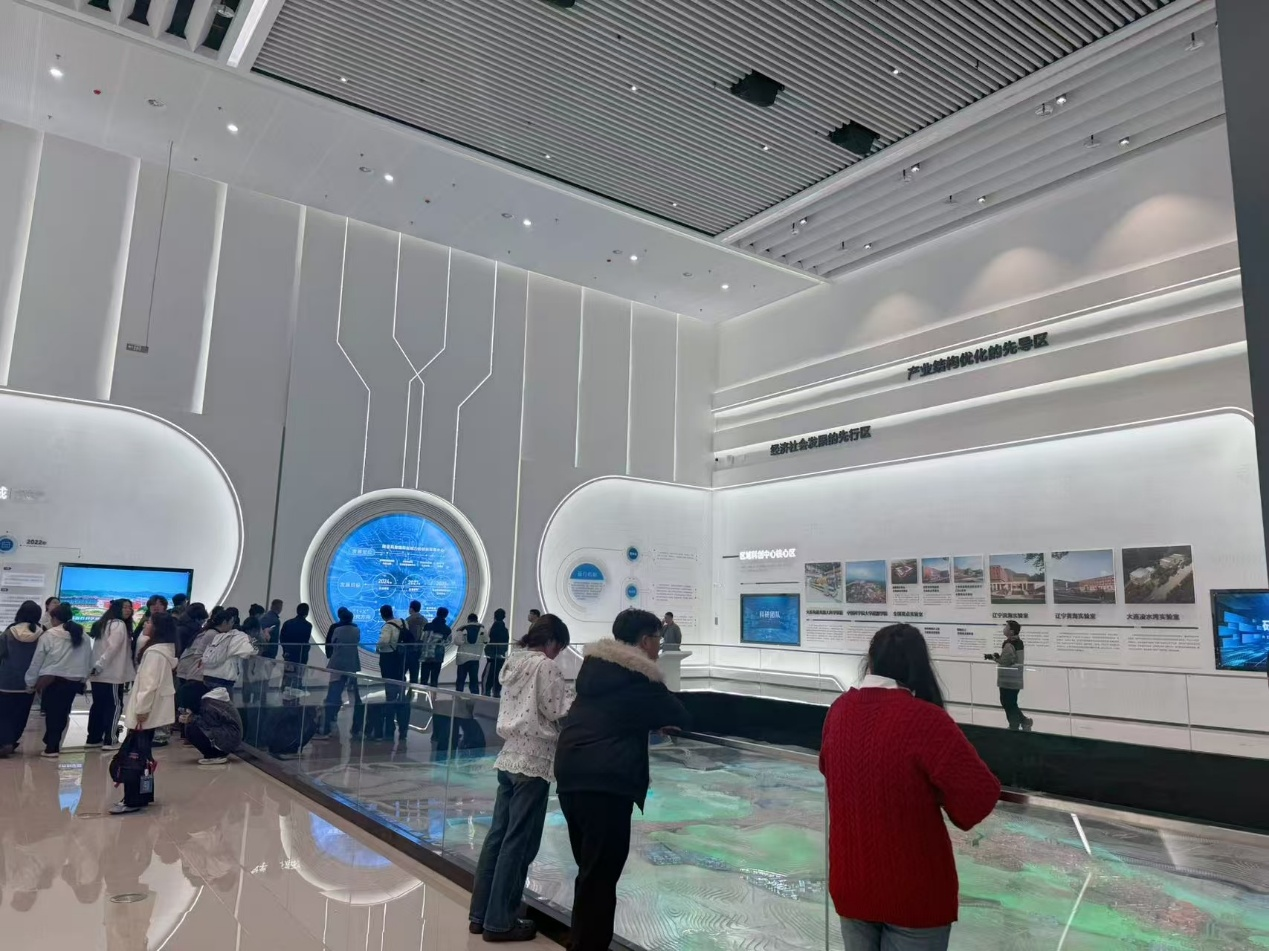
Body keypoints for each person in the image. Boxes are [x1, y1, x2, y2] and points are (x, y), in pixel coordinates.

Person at [821, 624, 1000, 951]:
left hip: (851, 884)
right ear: (920, 666)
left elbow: (830, 770)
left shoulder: (839, 711)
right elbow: (978, 799)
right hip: (914, 894)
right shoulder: (926, 720)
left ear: (870, 662)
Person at [555, 609, 688, 951]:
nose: (659, 646)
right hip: (606, 782)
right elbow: (677, 713)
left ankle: (580, 941)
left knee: (590, 870)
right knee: (601, 876)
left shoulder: (595, 669)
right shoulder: (638, 676)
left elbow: (622, 710)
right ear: (644, 641)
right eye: (657, 639)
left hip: (572, 773)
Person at [469, 614, 573, 942]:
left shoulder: (513, 662)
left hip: (509, 756)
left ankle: (480, 915)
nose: (557, 654)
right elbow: (558, 709)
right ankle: (500, 922)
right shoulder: (545, 666)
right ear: (551, 641)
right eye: (559, 647)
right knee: (519, 842)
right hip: (534, 761)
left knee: (497, 837)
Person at [114, 614, 179, 814]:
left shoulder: (155, 654)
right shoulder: (163, 651)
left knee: (134, 755)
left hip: (145, 712)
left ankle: (133, 799)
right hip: (151, 711)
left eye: (150, 622)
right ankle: (144, 794)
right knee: (143, 754)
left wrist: (142, 709)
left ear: (158, 627)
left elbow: (149, 685)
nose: (146, 624)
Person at [25, 603, 94, 758]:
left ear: (55, 618)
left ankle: (52, 747)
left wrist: (30, 682)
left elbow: (37, 660)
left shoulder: (49, 635)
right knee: (62, 712)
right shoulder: (83, 635)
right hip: (74, 681)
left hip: (53, 680)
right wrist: (83, 679)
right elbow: (89, 660)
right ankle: (52, 742)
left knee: (52, 713)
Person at [86, 599, 136, 750]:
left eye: (130, 607)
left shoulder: (103, 624)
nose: (128, 610)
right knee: (114, 706)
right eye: (125, 607)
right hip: (112, 674)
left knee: (98, 706)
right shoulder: (118, 624)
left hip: (98, 674)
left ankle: (93, 738)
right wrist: (100, 664)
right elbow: (113, 648)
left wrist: (96, 666)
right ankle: (110, 739)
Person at [0, 601, 44, 756]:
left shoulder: (9, 632)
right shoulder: (42, 634)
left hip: (6, 680)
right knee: (21, 714)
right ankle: (12, 741)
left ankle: (5, 742)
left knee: (4, 714)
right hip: (29, 682)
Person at [319, 608, 364, 738]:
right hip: (352, 664)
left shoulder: (337, 629)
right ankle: (357, 728)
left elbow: (333, 643)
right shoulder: (356, 630)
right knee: (355, 696)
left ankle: (327, 725)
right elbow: (357, 641)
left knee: (333, 693)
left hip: (338, 664)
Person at [372, 605, 410, 744]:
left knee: (390, 691)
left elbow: (383, 641)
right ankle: (403, 729)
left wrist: (378, 648)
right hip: (401, 658)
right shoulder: (403, 622)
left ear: (382, 615)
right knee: (400, 685)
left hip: (389, 658)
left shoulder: (387, 626)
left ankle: (389, 727)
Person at [179, 685, 242, 766]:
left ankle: (215, 754)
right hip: (231, 735)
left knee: (191, 729)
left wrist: (192, 718)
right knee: (192, 726)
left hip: (229, 738)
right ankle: (216, 752)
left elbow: (208, 724)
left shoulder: (208, 704)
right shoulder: (212, 700)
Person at [199, 610, 256, 691]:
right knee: (224, 698)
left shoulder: (218, 636)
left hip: (208, 675)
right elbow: (249, 652)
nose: (232, 625)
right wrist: (251, 642)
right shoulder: (239, 638)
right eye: (231, 622)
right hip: (223, 678)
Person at [994, 620, 1032, 731]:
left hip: (1009, 679)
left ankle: (1014, 726)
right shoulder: (1017, 643)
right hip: (1013, 678)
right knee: (1010, 703)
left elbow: (1005, 661)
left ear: (1011, 631)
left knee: (1007, 703)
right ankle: (1024, 722)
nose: (1004, 628)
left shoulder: (1010, 644)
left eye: (1006, 627)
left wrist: (995, 658)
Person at [279, 603, 313, 690]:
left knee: (287, 675)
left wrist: (285, 650)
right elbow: (306, 639)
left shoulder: (287, 623)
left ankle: (284, 690)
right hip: (301, 655)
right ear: (307, 612)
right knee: (299, 676)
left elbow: (282, 638)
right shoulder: (308, 625)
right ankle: (296, 692)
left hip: (289, 654)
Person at [419, 607, 451, 688]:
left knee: (423, 679)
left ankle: (422, 694)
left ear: (437, 613)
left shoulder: (428, 626)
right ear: (446, 616)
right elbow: (448, 642)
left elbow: (422, 639)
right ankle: (433, 695)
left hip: (426, 655)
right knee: (434, 680)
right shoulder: (447, 629)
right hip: (438, 656)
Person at [455, 613, 487, 694]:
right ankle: (475, 698)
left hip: (462, 659)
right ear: (477, 620)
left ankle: (457, 697)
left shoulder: (462, 629)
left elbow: (457, 642)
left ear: (468, 620)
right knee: (474, 680)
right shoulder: (482, 630)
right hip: (475, 658)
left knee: (460, 680)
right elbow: (487, 640)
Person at [482, 608, 510, 697]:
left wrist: (488, 652)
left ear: (494, 616)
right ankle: (496, 694)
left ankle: (485, 694)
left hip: (492, 657)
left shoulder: (493, 628)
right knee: (498, 676)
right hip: (501, 656)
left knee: (487, 677)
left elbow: (488, 641)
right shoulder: (505, 630)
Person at [404, 600, 426, 684]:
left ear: (411, 609)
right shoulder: (424, 620)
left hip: (408, 649)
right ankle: (413, 688)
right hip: (419, 649)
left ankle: (402, 688)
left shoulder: (407, 620)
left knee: (402, 670)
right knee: (415, 671)